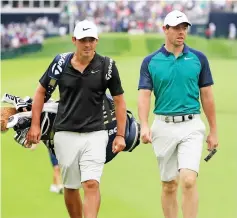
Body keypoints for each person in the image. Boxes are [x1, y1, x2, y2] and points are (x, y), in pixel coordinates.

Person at [27, 19, 127, 218]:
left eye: (91, 40)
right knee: (71, 187)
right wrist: (35, 125)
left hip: (96, 133)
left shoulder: (107, 66)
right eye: (83, 40)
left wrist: (120, 135)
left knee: (91, 183)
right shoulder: (60, 63)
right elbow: (40, 93)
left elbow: (119, 101)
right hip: (65, 133)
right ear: (74, 40)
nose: (87, 44)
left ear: (97, 41)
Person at [138, 10, 218, 218]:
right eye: (176, 28)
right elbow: (144, 95)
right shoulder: (150, 62)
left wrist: (214, 131)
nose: (181, 32)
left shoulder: (198, 59)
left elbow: (207, 96)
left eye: (184, 28)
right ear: (165, 30)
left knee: (189, 180)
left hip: (191, 124)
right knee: (169, 185)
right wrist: (144, 125)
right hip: (163, 126)